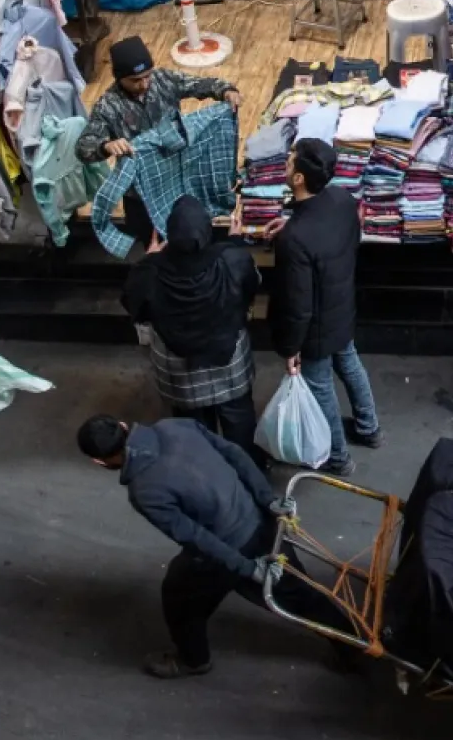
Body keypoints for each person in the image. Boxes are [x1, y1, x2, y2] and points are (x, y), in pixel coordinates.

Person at [77, 415, 357, 678]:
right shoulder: (175, 426)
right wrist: (267, 498)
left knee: (180, 598)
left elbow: (195, 537)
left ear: (99, 463)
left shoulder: (145, 490)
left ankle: (193, 660)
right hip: (259, 518)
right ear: (124, 425)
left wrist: (247, 568)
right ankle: (353, 647)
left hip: (233, 544)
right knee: (299, 594)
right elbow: (234, 453)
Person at [122, 195, 268, 470]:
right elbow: (252, 285)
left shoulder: (149, 272)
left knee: (195, 428)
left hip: (179, 370)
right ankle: (247, 469)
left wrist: (148, 261)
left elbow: (134, 306)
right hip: (228, 362)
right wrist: (234, 244)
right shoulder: (231, 259)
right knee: (238, 419)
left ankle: (207, 473)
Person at [266, 139, 383, 478]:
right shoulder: (342, 199)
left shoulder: (295, 240)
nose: (286, 163)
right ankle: (369, 428)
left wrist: (290, 348)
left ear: (299, 178)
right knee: (349, 361)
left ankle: (338, 457)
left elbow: (297, 303)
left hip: (315, 326)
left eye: (290, 161)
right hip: (342, 305)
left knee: (320, 387)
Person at [77, 36, 244, 247]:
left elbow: (200, 84)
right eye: (135, 80)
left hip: (178, 182)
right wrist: (106, 146)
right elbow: (83, 147)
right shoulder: (108, 106)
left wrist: (226, 90)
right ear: (120, 78)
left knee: (194, 239)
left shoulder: (163, 80)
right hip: (142, 196)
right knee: (154, 249)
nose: (144, 84)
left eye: (147, 76)